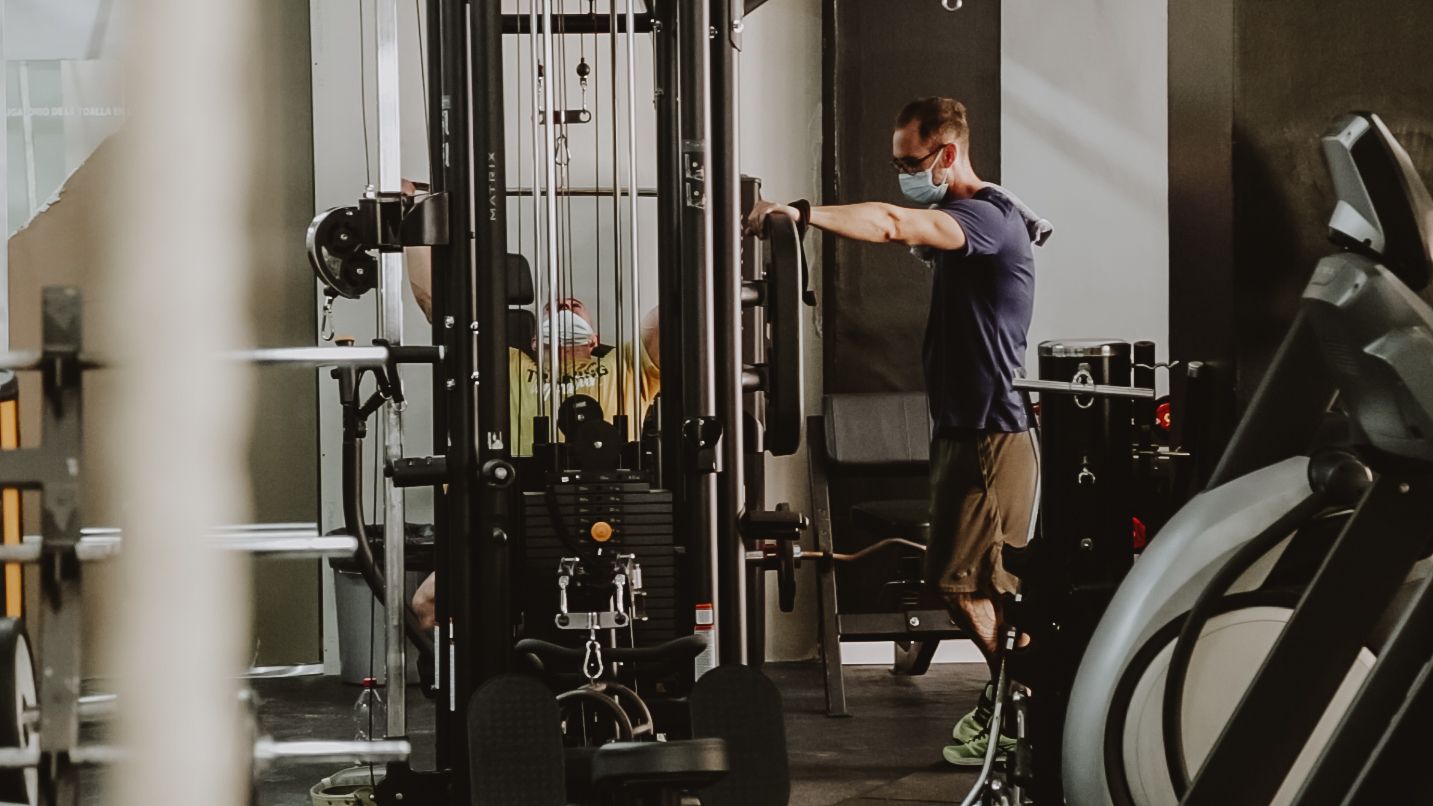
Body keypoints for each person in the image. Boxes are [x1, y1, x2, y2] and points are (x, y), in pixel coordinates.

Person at [746, 97, 1044, 766]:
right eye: (893, 163)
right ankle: (1021, 695)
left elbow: (888, 222)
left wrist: (797, 213)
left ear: (945, 154)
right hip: (962, 434)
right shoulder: (970, 221)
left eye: (910, 162)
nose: (902, 174)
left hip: (992, 438)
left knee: (967, 586)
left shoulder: (986, 218)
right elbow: (903, 225)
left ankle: (1026, 695)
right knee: (971, 585)